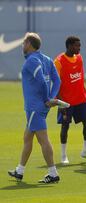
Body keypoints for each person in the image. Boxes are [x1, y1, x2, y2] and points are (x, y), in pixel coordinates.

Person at [8, 32, 61, 183]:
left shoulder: (32, 60)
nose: (22, 45)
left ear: (30, 45)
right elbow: (57, 81)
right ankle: (20, 170)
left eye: (24, 43)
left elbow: (42, 82)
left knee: (43, 140)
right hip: (40, 106)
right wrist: (50, 98)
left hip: (35, 107)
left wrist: (47, 99)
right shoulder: (47, 59)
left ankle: (53, 173)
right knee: (27, 137)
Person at [54, 36, 86, 164]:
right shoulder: (59, 61)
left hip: (81, 98)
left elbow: (80, 78)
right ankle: (63, 155)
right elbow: (55, 83)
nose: (79, 48)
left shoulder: (79, 58)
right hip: (66, 101)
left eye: (79, 45)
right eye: (76, 46)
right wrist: (60, 101)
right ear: (69, 46)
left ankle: (85, 151)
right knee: (65, 127)